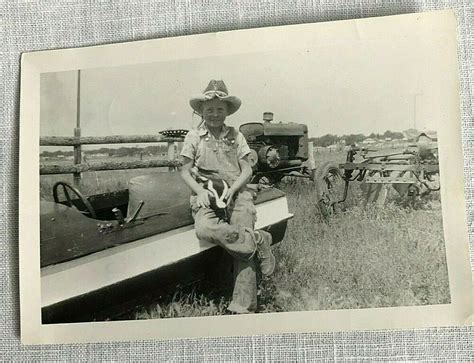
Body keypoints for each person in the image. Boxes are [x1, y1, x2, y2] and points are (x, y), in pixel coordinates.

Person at [180, 80, 275, 314]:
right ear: (201, 111)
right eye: (209, 110)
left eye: (220, 109)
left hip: (236, 192)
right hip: (207, 193)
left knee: (241, 232)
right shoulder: (194, 136)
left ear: (227, 111)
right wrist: (200, 191)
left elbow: (247, 170)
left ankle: (243, 307)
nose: (214, 114)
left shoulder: (237, 136)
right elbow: (184, 171)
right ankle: (259, 240)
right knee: (205, 229)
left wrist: (235, 190)